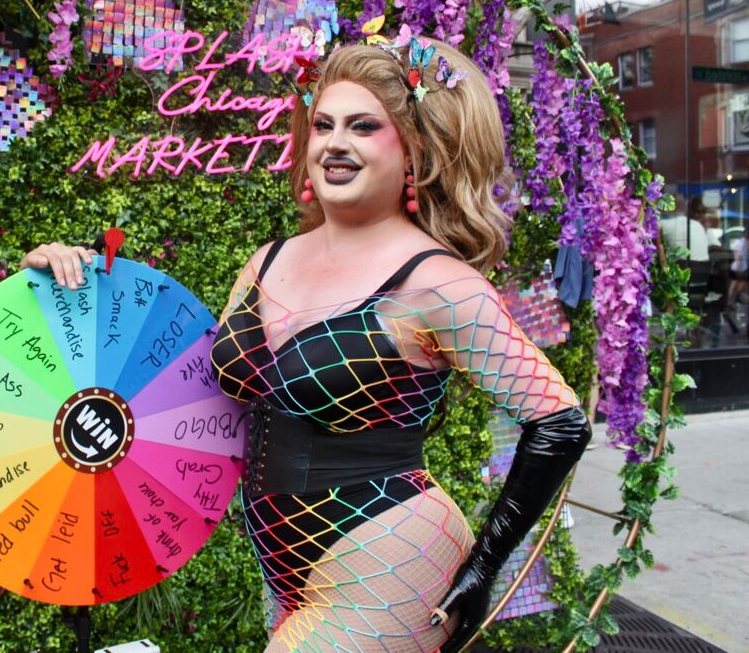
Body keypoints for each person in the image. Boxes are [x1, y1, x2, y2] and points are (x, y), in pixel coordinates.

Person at [209, 38, 591, 652]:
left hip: (390, 556)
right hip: (281, 561)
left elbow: (560, 424)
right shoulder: (266, 261)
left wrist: (485, 565)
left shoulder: (437, 282)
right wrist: (75, 283)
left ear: (411, 151)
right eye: (324, 124)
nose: (335, 143)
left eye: (364, 126)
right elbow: (193, 388)